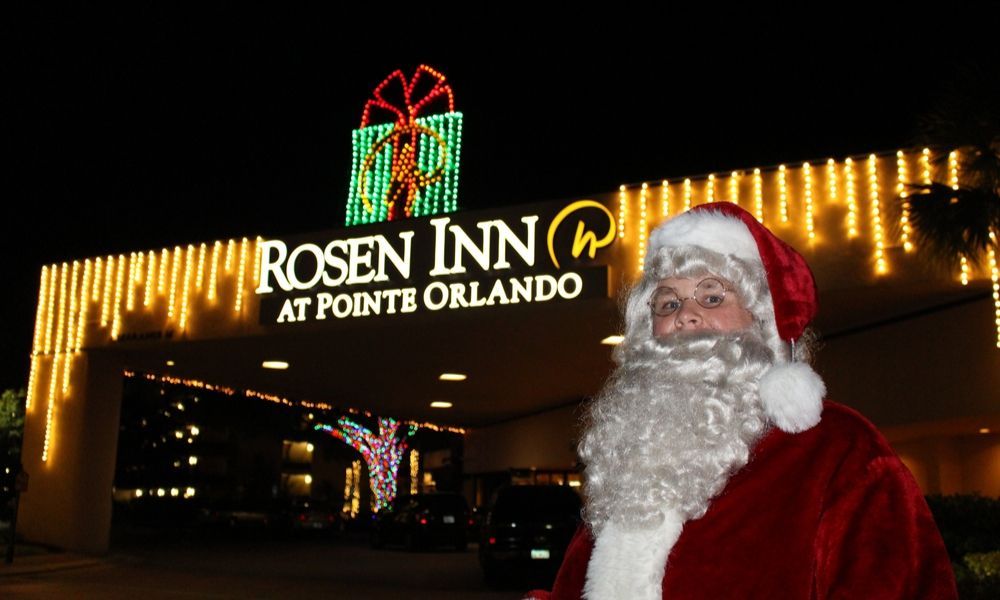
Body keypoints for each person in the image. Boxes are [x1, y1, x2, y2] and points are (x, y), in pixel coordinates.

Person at [526, 203, 957, 599]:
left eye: (713, 297)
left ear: (763, 321)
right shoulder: (632, 463)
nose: (685, 315)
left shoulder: (837, 450)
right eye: (667, 302)